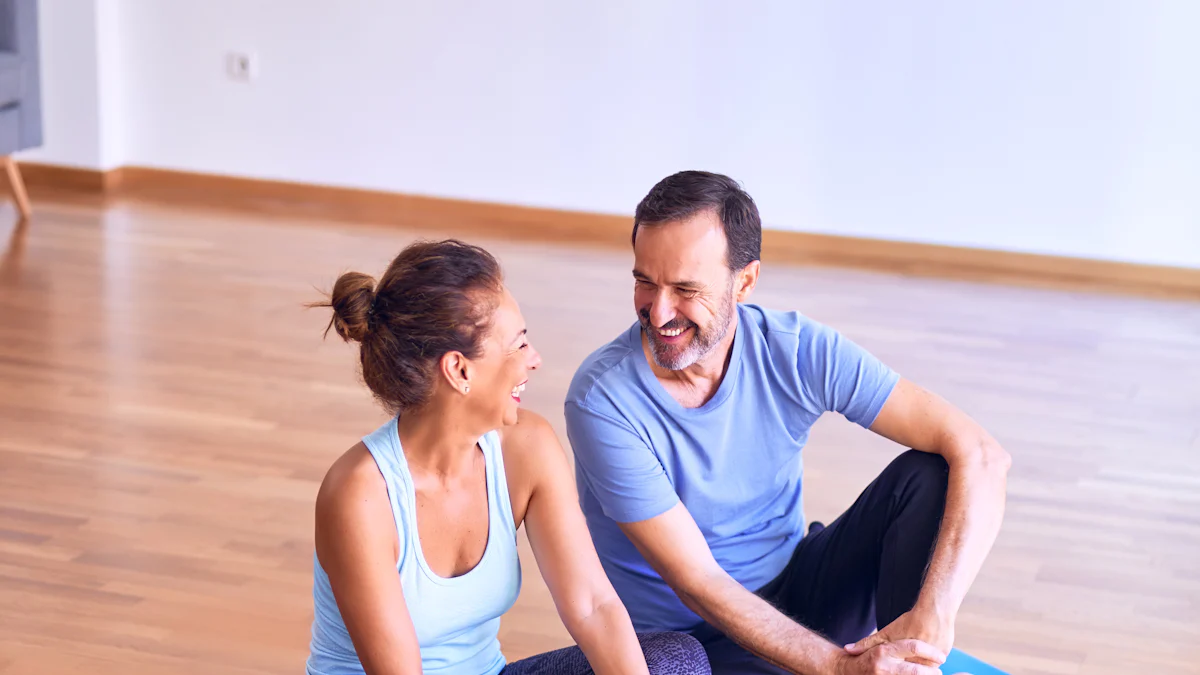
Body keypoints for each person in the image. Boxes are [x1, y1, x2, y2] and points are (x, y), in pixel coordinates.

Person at [565, 171, 1012, 675]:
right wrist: (840, 668)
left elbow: (982, 454)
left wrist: (934, 615)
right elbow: (698, 583)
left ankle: (910, 662)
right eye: (645, 282)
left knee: (930, 473)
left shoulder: (795, 350)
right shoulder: (603, 400)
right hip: (694, 643)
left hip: (797, 589)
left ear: (745, 281)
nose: (659, 311)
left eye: (685, 289)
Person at [305, 239, 710, 675]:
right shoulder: (360, 496)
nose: (534, 360)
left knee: (674, 662)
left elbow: (593, 605)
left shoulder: (527, 447)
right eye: (518, 344)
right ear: (459, 370)